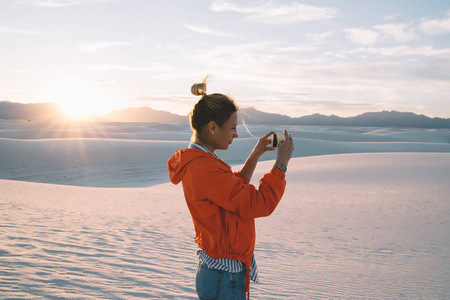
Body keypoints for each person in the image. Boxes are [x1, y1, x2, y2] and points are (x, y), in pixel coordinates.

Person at [167, 78, 294, 299]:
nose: (236, 134)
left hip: (218, 273)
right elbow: (258, 204)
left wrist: (255, 155)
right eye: (233, 128)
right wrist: (280, 165)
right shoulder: (204, 168)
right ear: (213, 127)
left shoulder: (202, 162)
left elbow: (231, 192)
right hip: (223, 278)